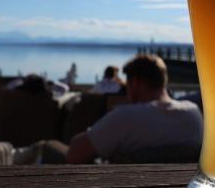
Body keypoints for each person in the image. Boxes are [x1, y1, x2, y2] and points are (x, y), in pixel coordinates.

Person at [51, 54, 203, 164]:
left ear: (135, 83)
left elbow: (74, 155)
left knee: (45, 146)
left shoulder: (126, 117)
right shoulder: (193, 113)